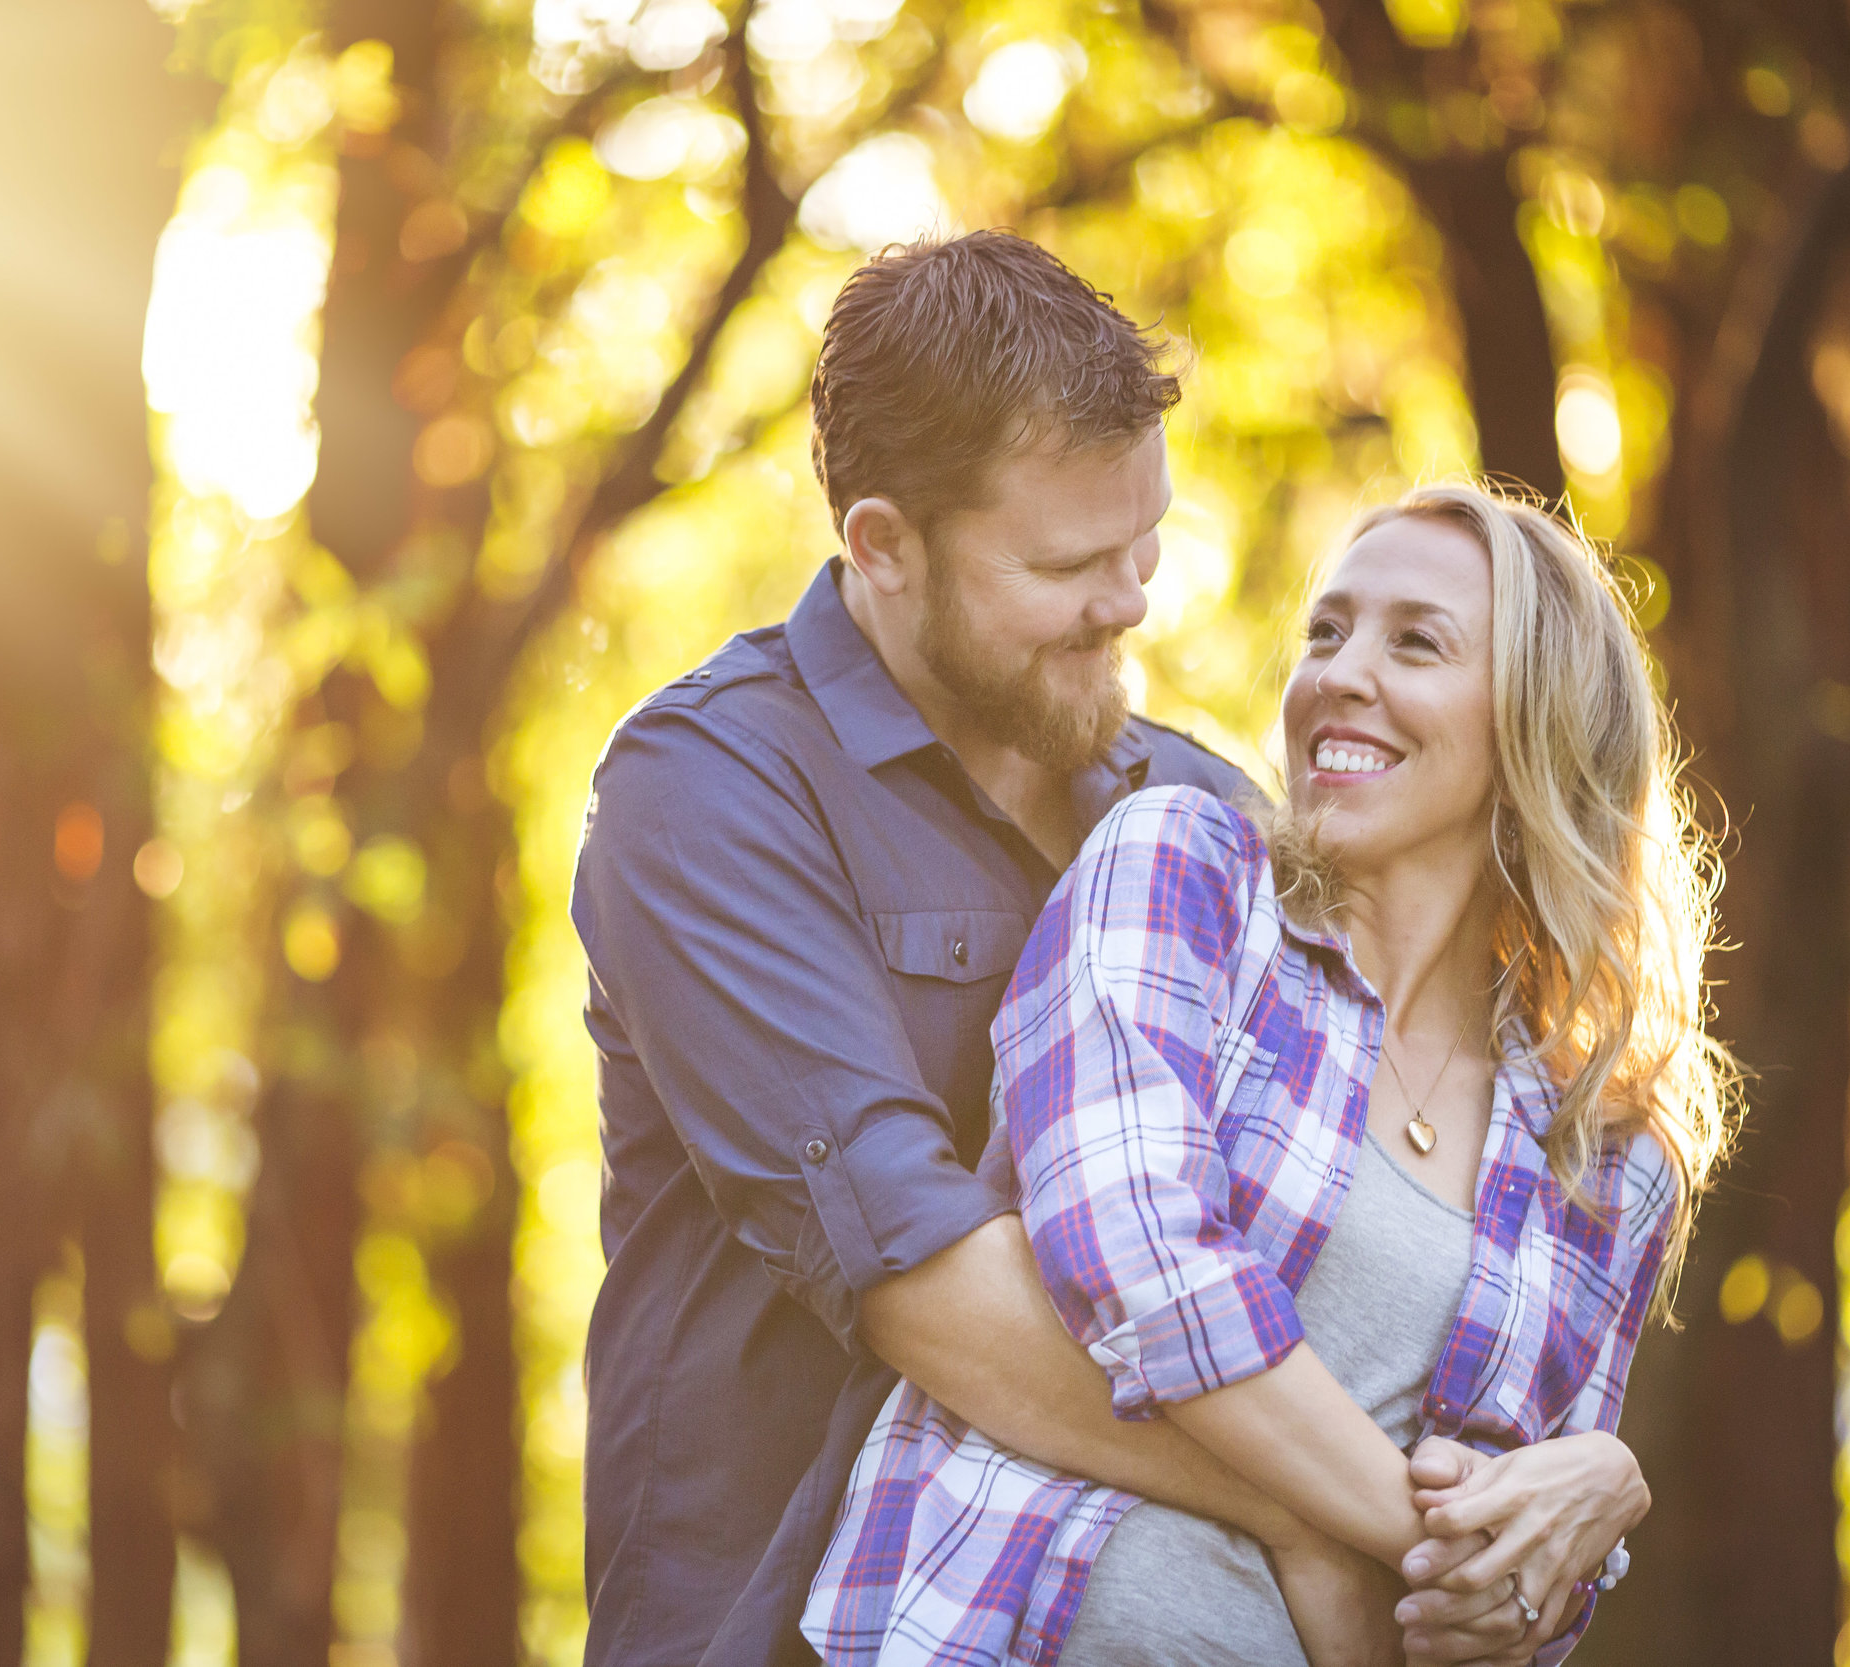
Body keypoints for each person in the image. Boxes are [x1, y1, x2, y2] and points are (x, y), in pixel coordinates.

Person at [803, 480, 1739, 1665]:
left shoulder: (1609, 1158)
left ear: (1534, 723)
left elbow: (1508, 1607)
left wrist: (1593, 1500)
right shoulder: (1185, 876)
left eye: (1416, 642)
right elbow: (1136, 1255)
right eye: (1327, 631)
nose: (1341, 672)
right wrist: (1378, 1535)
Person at [571, 230, 1310, 1667]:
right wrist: (1337, 1510)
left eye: (1144, 542)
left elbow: (1349, 1206)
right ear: (884, 546)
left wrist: (1551, 1471)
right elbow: (920, 1279)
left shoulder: (1206, 814)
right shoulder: (706, 789)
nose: (1131, 599)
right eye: (1068, 561)